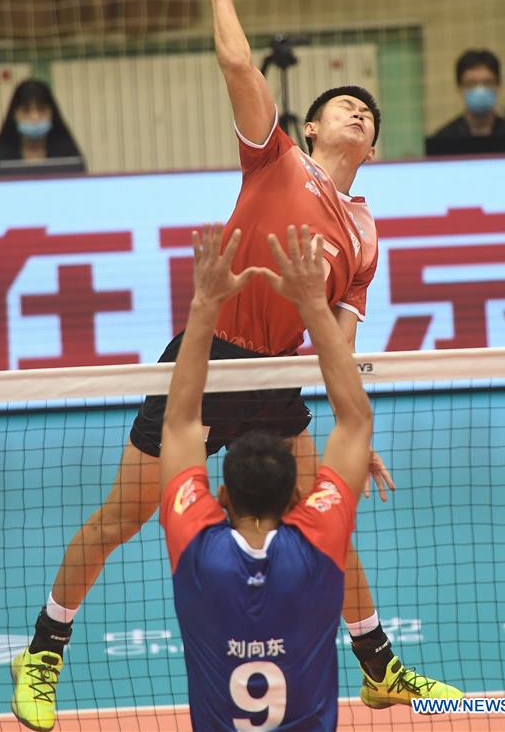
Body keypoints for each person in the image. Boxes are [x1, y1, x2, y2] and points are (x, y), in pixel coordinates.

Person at [11, 0, 462, 732]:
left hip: (275, 379)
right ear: (313, 128)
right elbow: (238, 69)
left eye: (370, 111)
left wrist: (350, 416)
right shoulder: (274, 159)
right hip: (206, 357)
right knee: (124, 516)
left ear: (371, 142)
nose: (359, 110)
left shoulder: (365, 235)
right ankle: (42, 648)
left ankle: (380, 667)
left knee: (326, 514)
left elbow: (340, 337)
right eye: (343, 104)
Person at [159, 223, 375, 729]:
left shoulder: (198, 553)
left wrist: (205, 303)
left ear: (221, 495)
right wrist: (312, 306)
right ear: (299, 495)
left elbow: (181, 421)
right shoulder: (319, 543)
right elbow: (355, 421)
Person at [426, 49, 505, 156]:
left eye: (487, 83)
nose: (480, 90)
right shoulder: (443, 141)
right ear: (459, 88)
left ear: (498, 87)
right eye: (471, 83)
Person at [0, 78, 86, 176]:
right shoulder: (0, 155)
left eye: (42, 109)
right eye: (26, 111)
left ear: (52, 113)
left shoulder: (68, 152)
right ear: (14, 115)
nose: (35, 117)